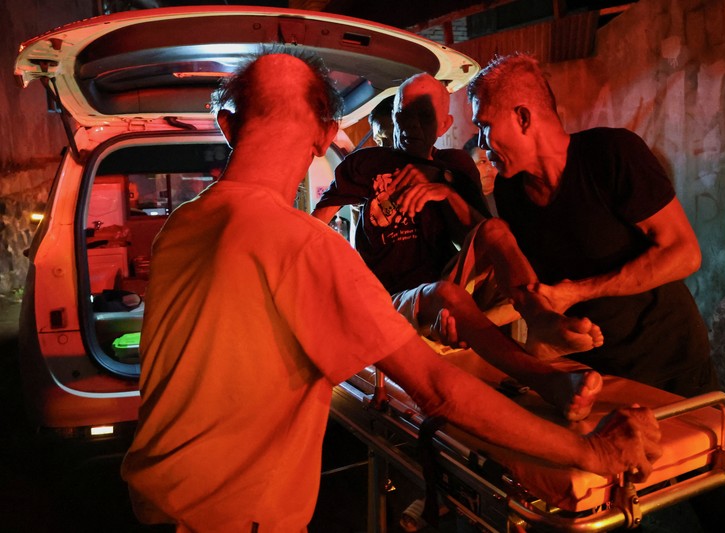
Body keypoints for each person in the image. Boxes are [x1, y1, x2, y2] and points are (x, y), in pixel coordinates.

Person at [120, 48, 661, 532]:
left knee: (463, 275)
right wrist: (591, 450)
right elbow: (437, 390)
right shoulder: (306, 240)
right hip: (233, 519)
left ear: (227, 125)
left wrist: (442, 196)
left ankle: (541, 341)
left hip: (152, 503)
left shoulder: (180, 226)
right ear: (327, 135)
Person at [313, 73, 604, 419]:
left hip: (448, 283)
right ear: (392, 116)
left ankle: (541, 320)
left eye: (424, 117)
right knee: (446, 295)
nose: (411, 126)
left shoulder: (454, 166)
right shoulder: (367, 164)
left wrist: (446, 191)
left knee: (497, 231)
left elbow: (482, 236)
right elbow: (316, 224)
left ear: (444, 124)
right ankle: (548, 382)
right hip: (392, 303)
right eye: (403, 114)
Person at [467, 52, 719, 398]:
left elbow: (684, 253)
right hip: (594, 371)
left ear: (523, 117)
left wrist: (578, 291)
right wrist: (471, 323)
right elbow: (540, 290)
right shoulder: (511, 191)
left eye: (484, 126)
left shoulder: (611, 154)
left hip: (670, 363)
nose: (481, 143)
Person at [464, 134, 498, 216]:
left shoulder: (508, 198)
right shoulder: (461, 199)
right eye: (483, 161)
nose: (489, 168)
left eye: (493, 161)